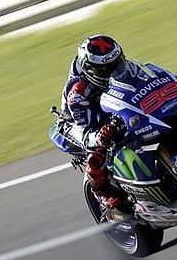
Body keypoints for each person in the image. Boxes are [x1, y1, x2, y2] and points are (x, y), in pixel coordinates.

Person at [55, 34, 131, 209]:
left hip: (107, 105)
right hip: (77, 120)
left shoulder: (121, 68)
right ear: (91, 70)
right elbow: (87, 130)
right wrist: (101, 133)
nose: (114, 71)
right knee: (99, 146)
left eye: (117, 64)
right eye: (107, 69)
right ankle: (102, 192)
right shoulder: (78, 92)